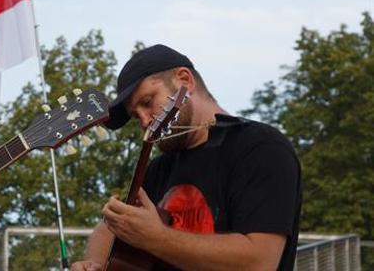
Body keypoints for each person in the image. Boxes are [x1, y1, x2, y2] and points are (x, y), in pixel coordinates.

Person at [72, 44, 302, 271]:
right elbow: (110, 228)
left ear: (184, 80)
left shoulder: (259, 146)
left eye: (147, 102)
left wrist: (156, 237)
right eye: (136, 116)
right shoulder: (158, 169)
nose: (144, 121)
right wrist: (95, 265)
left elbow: (259, 262)